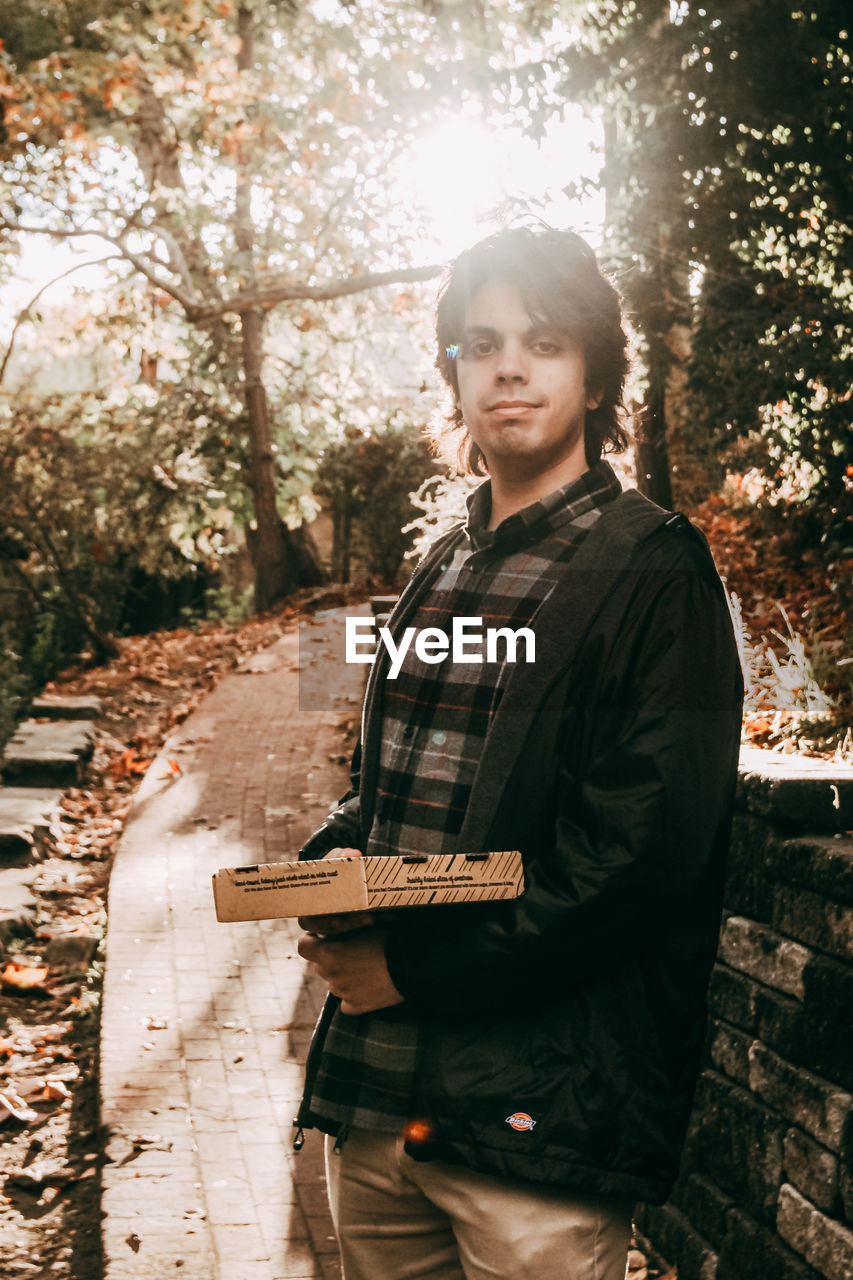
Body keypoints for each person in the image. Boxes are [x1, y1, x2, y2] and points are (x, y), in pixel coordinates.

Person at [294, 225, 743, 1280]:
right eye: (480, 342)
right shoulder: (441, 567)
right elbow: (387, 792)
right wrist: (319, 870)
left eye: (543, 341)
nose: (507, 365)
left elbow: (632, 861)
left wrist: (404, 964)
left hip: (536, 1123)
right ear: (452, 372)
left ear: (593, 376)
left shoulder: (653, 575)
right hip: (380, 1106)